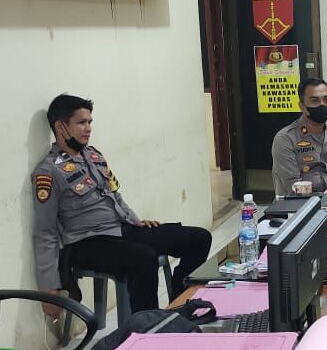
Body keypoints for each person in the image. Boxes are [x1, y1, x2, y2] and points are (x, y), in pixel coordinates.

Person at [32, 94, 212, 318]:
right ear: (61, 127)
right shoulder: (48, 172)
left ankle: (179, 305)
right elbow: (45, 232)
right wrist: (49, 287)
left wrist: (135, 221)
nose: (88, 128)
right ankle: (147, 327)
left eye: (90, 122)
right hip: (86, 242)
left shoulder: (94, 156)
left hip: (121, 230)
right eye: (81, 123)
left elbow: (115, 196)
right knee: (144, 258)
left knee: (199, 238)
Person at [271, 77, 327, 196]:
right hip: (299, 204)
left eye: (326, 99)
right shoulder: (285, 139)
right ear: (302, 106)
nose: (322, 105)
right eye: (315, 100)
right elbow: (293, 188)